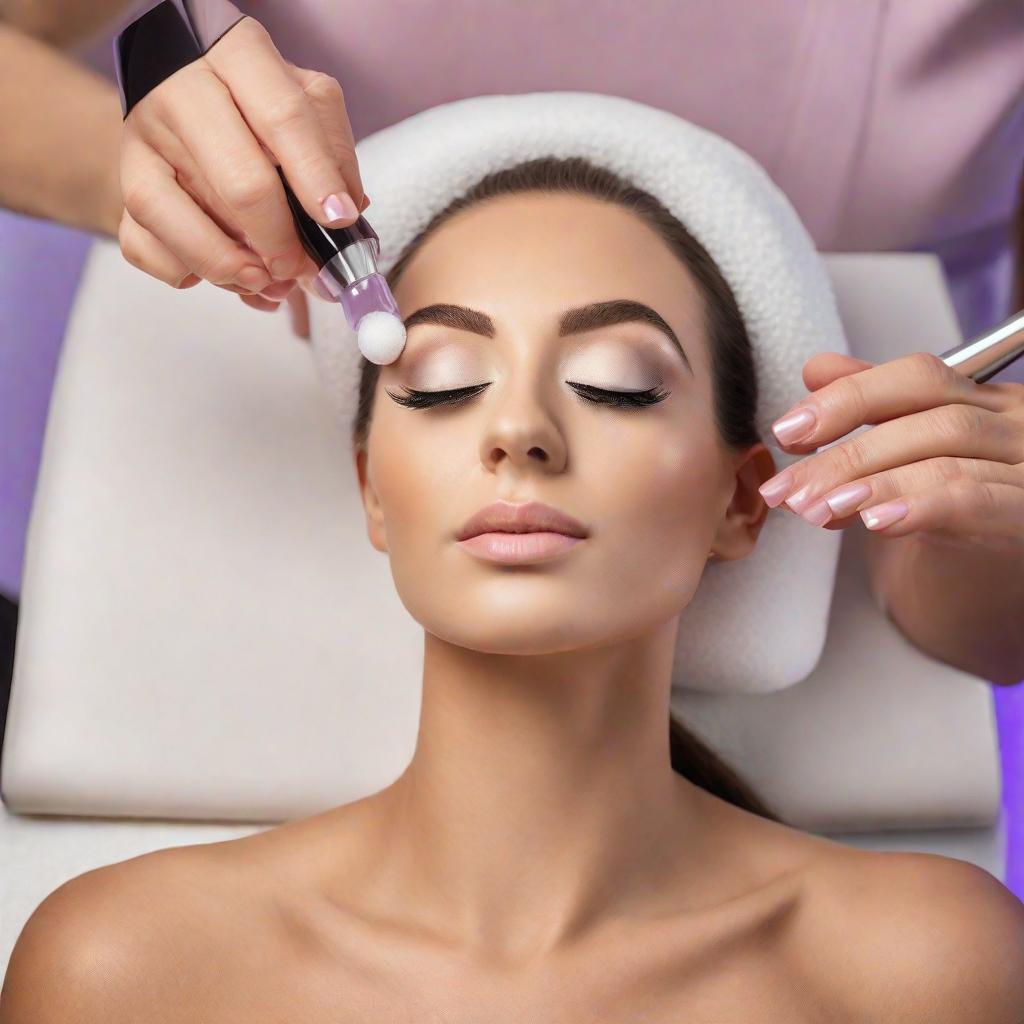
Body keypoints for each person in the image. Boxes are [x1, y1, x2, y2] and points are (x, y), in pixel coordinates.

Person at [3, 151, 1024, 1021]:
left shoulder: (922, 967)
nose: (518, 429)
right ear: (373, 488)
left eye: (617, 383)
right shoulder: (129, 968)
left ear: (741, 501)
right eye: (443, 382)